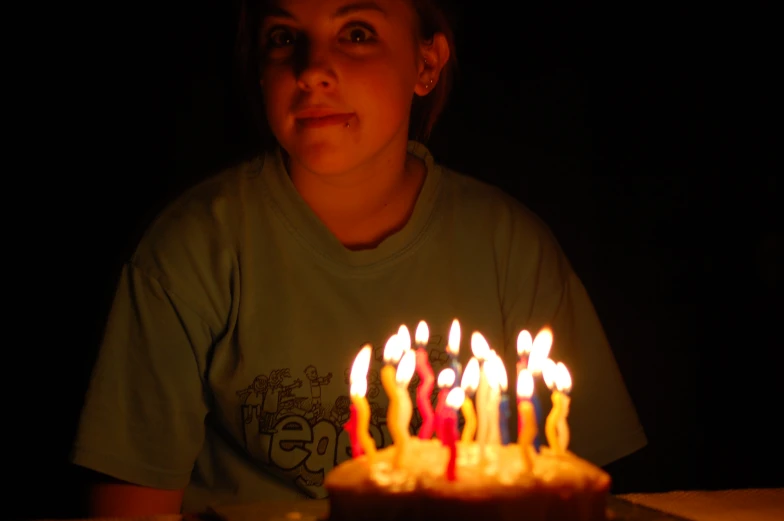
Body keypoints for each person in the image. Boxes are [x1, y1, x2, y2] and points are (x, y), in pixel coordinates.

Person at [71, 0, 647, 515]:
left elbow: (595, 489)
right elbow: (130, 506)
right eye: (283, 36)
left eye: (357, 32)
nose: (313, 69)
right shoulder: (193, 249)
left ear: (426, 64)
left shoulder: (508, 246)